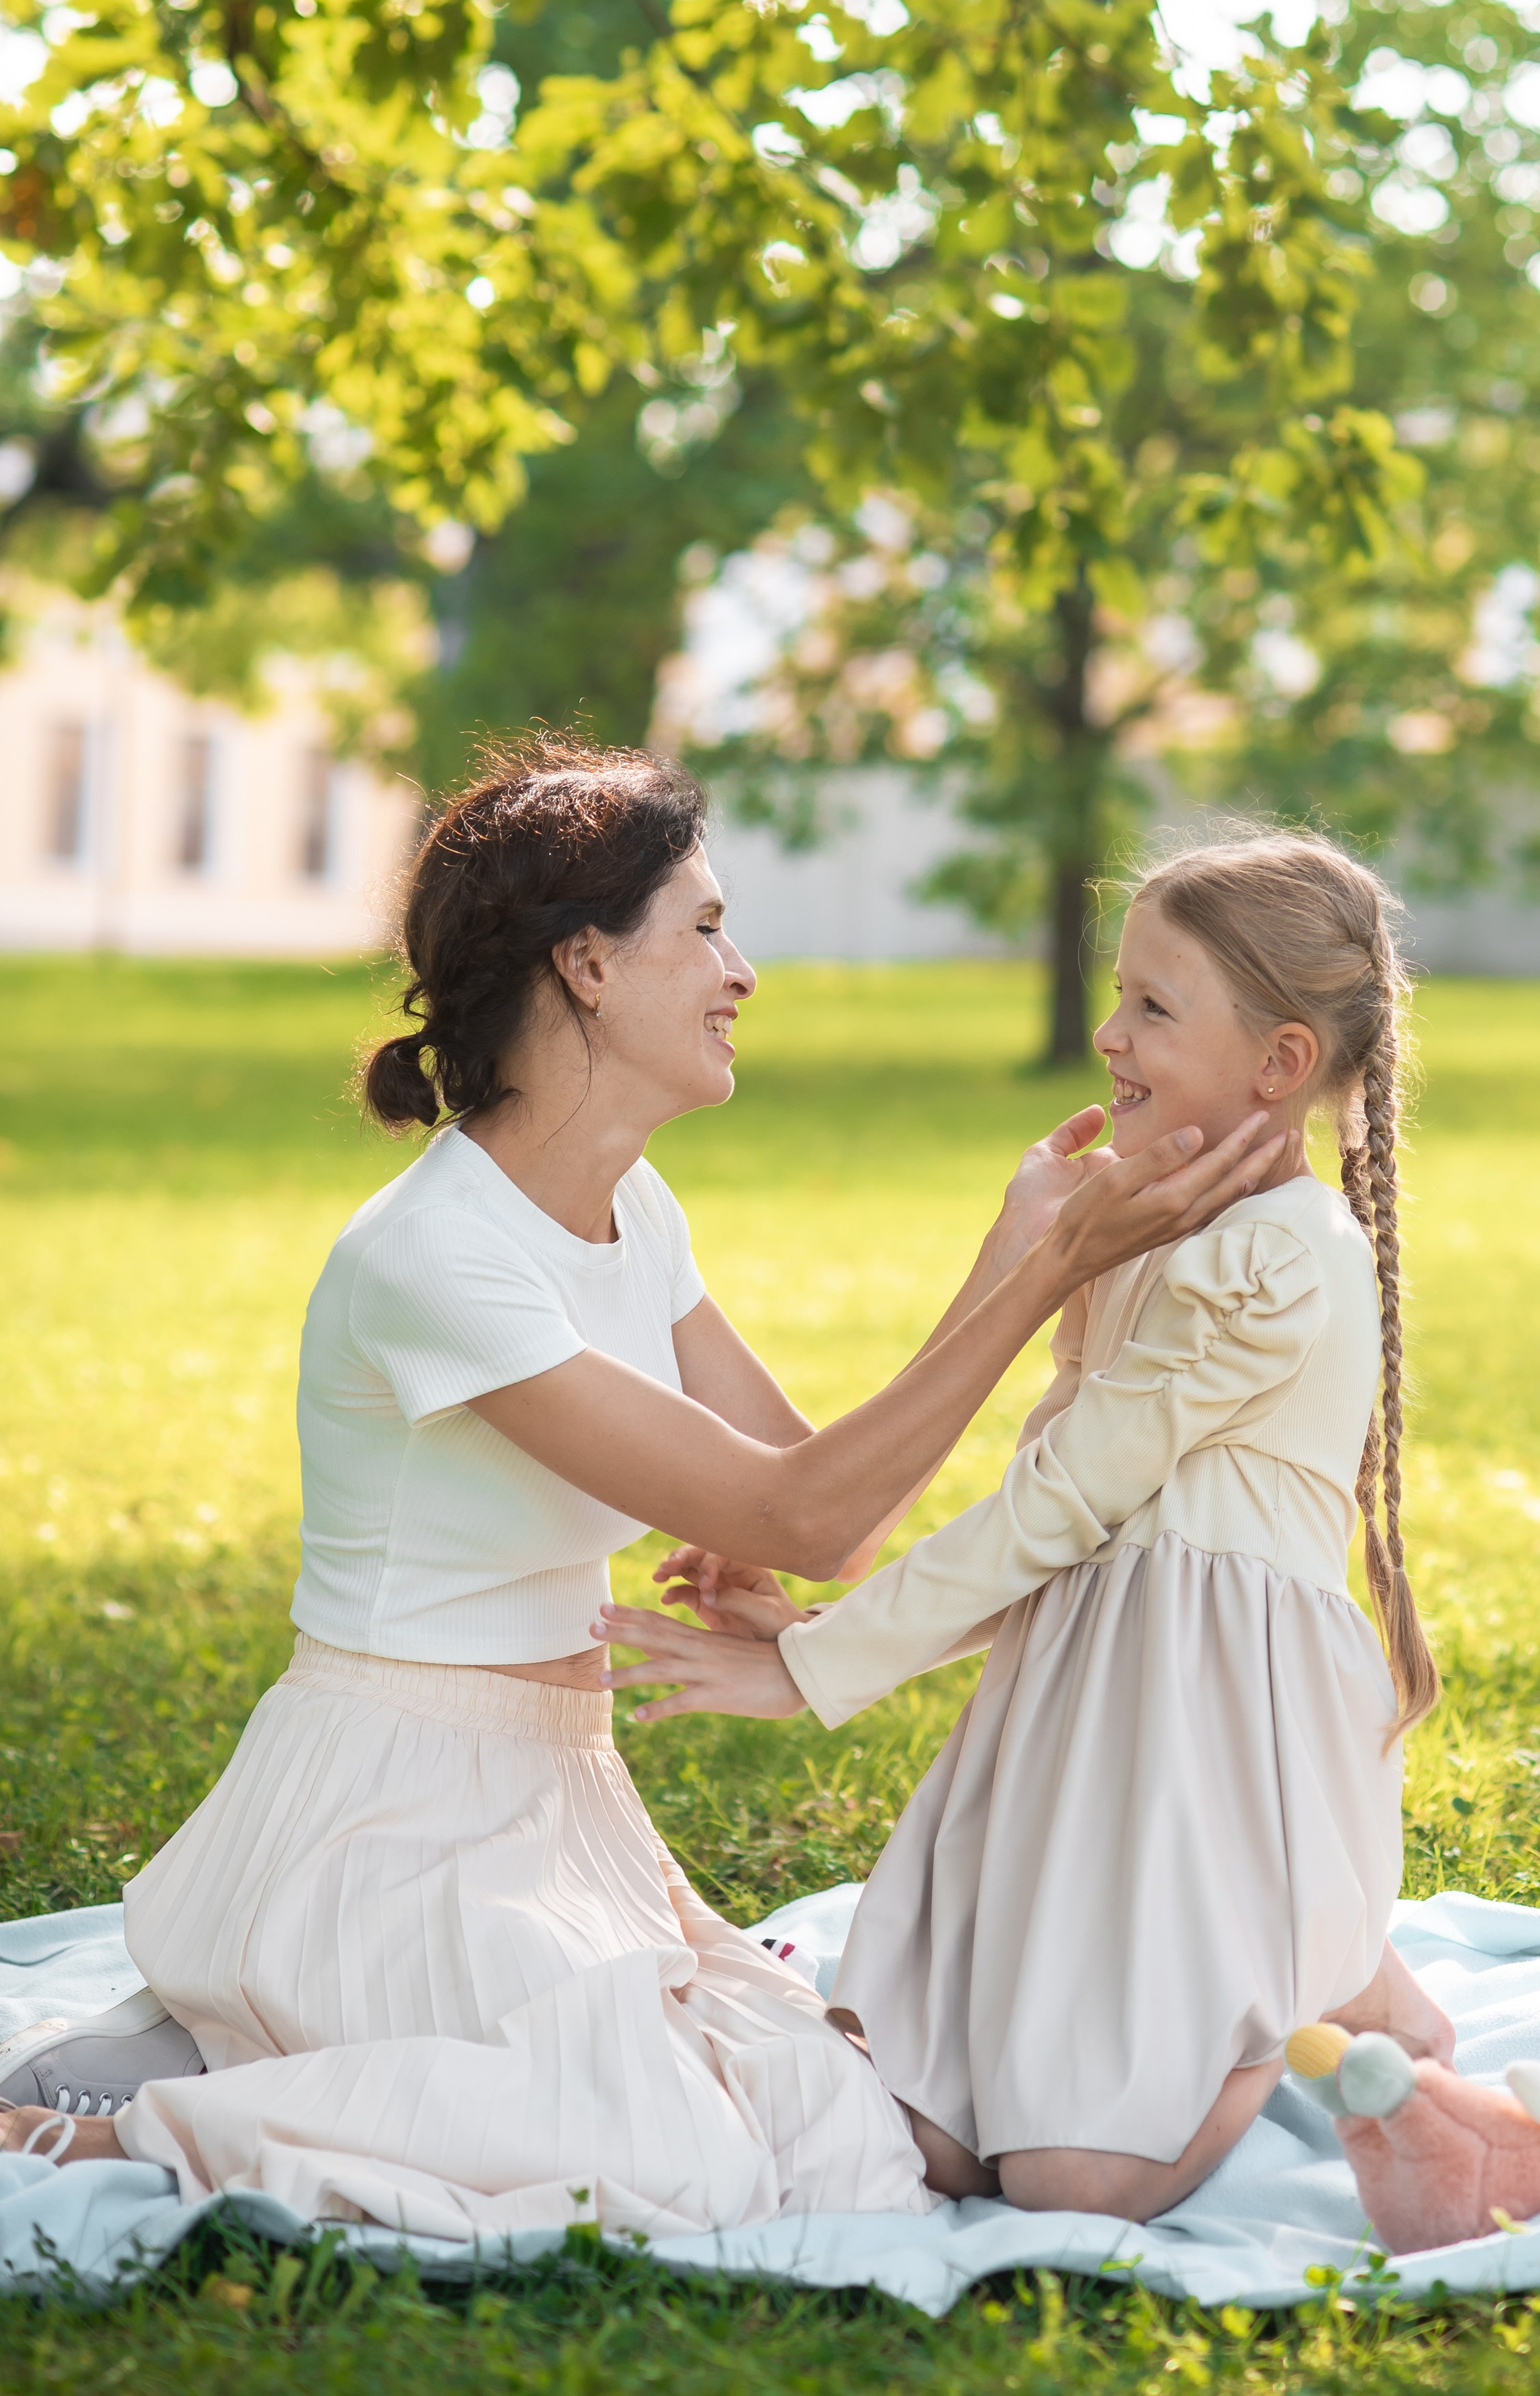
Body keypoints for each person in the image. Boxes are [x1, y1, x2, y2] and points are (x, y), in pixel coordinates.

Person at [1, 740, 1287, 2236]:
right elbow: (797, 1511)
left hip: (552, 1799)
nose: (740, 968)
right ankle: (143, 2125)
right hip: (384, 1818)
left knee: (835, 2134)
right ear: (588, 965)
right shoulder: (433, 1260)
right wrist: (1047, 1268)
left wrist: (1017, 1253)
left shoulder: (630, 1205)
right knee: (675, 2157)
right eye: (705, 927)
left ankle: (249, 2043)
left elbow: (831, 1522)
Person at [597, 827, 1455, 2224]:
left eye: (1153, 1007)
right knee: (929, 2139)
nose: (1110, 1034)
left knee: (1069, 2180)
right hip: (1082, 1724)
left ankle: (1314, 1989)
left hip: (1216, 1745)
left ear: (1282, 1064)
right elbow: (1078, 1549)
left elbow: (1066, 1507)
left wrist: (812, 1671)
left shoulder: (1284, 1259)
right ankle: (1286, 1979)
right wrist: (822, 1621)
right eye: (1119, 995)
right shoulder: (1140, 1232)